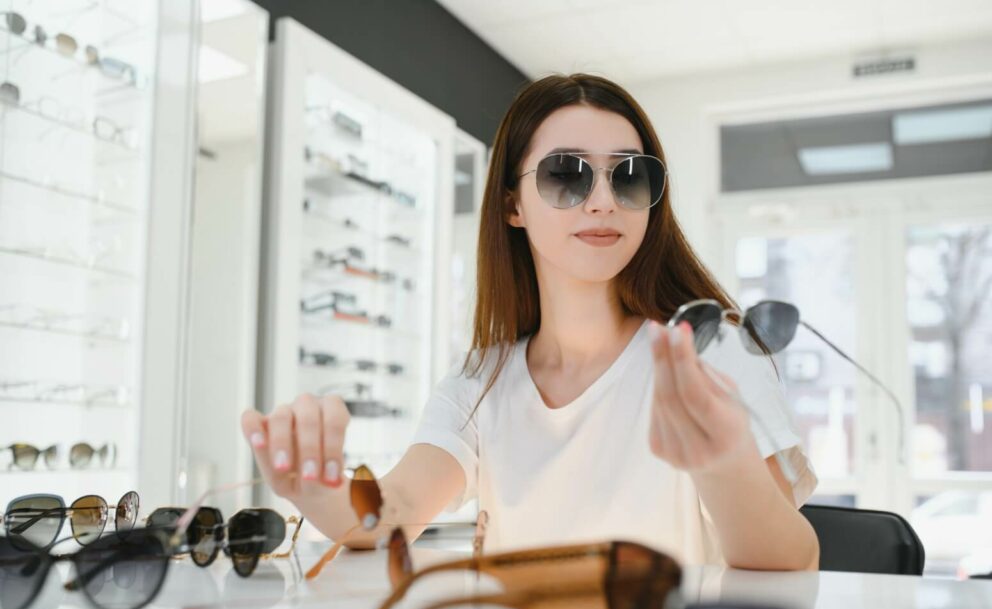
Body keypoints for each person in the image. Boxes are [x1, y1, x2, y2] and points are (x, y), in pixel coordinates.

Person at [241, 73, 819, 570]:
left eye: (628, 176)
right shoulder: (480, 379)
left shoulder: (711, 353)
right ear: (512, 204)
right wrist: (319, 492)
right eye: (566, 175)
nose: (601, 201)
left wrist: (723, 463)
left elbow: (791, 561)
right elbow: (389, 516)